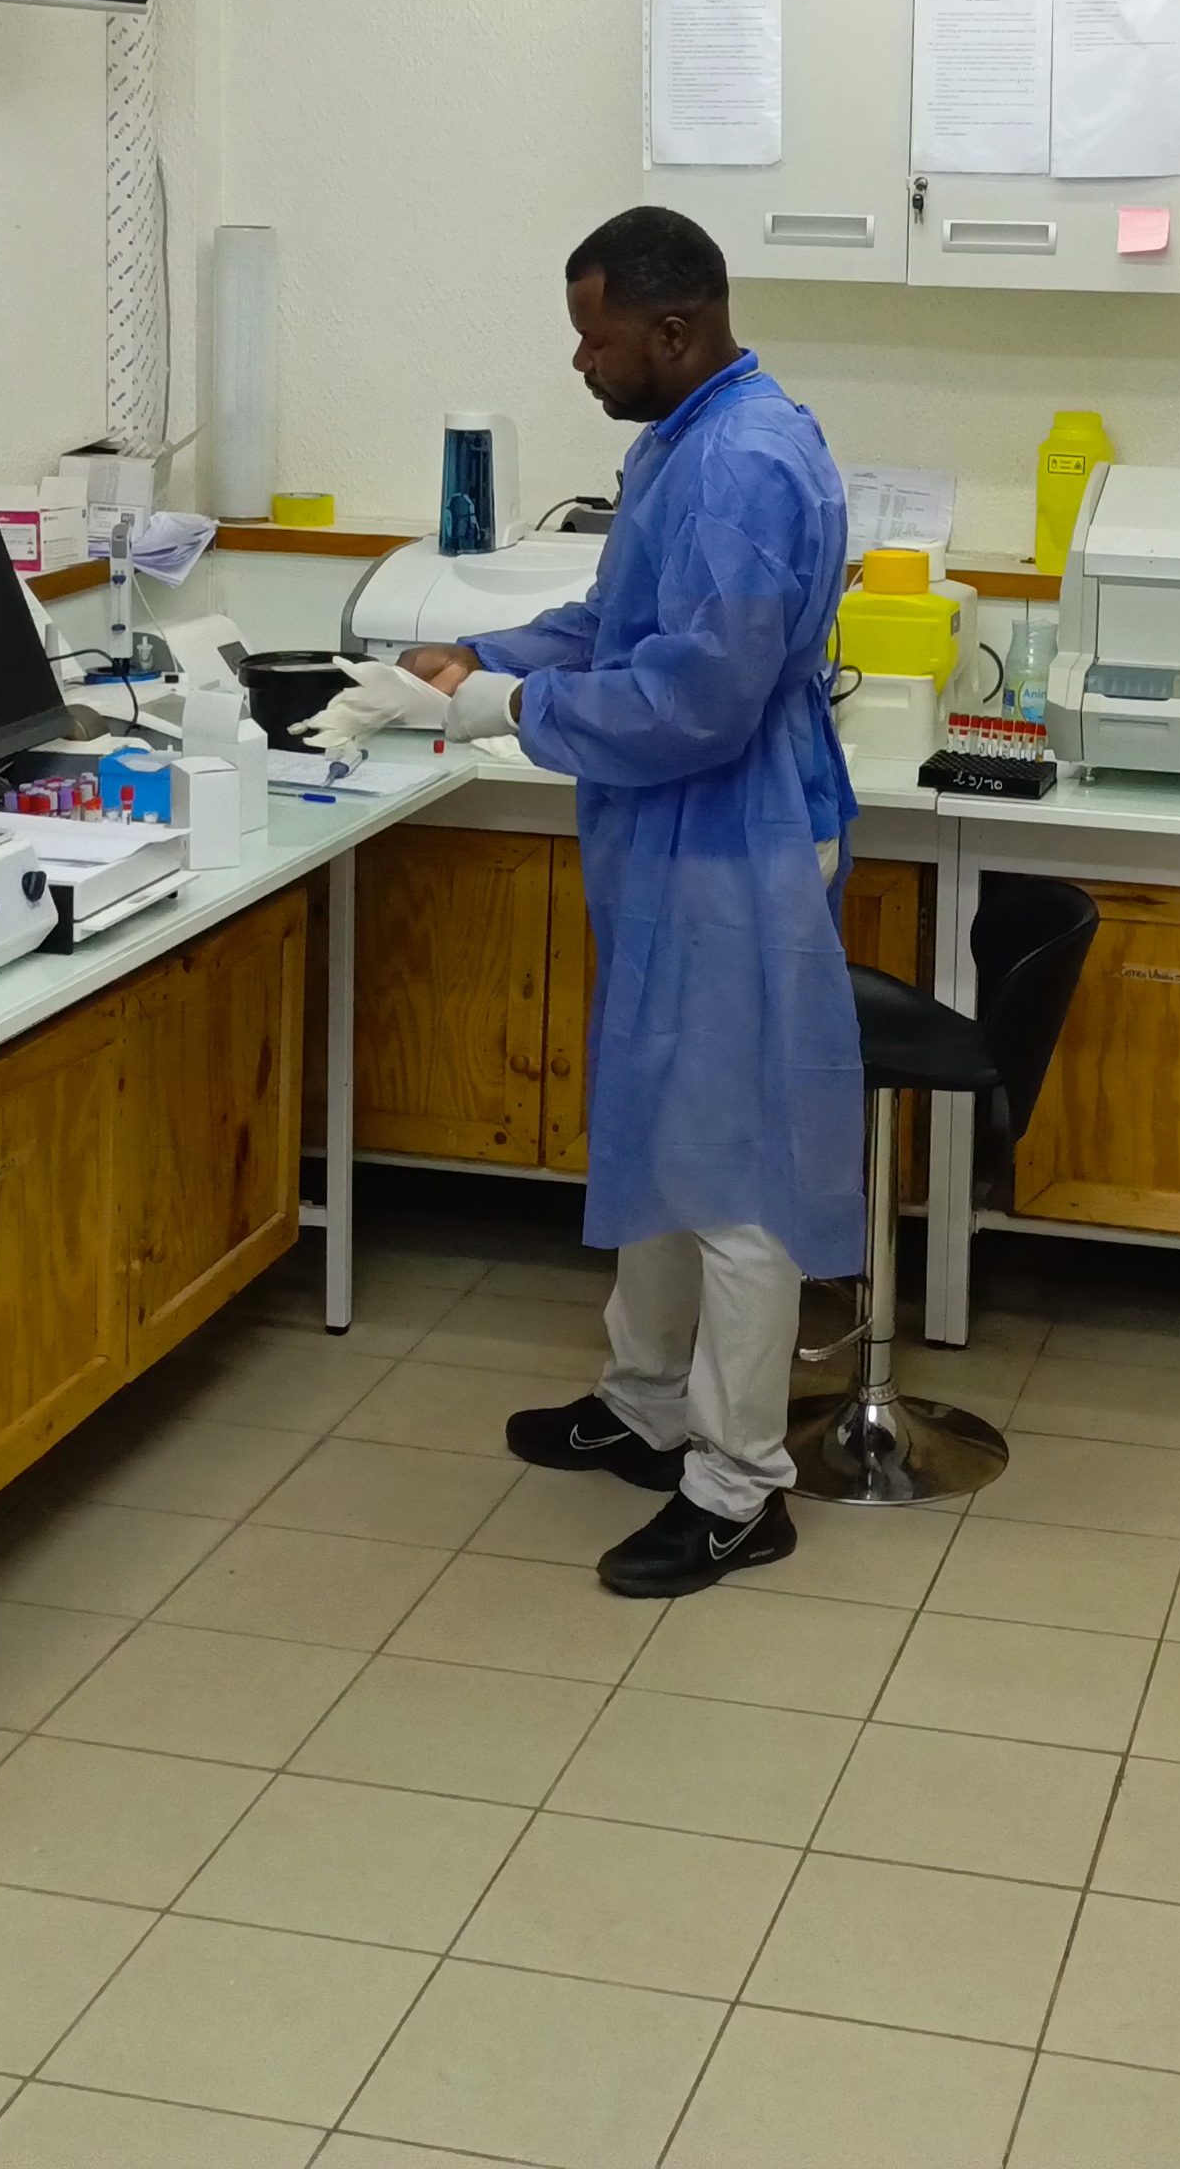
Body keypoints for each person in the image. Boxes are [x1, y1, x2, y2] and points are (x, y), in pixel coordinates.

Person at [396, 206, 861, 1596]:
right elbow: (614, 626)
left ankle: (739, 1485)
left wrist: (505, 709)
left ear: (674, 329)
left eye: (595, 341)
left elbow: (697, 699)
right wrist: (471, 653)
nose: (581, 364)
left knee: (736, 1168)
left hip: (736, 833)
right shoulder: (681, 438)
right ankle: (650, 1401)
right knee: (662, 1117)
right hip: (677, 835)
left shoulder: (743, 465)